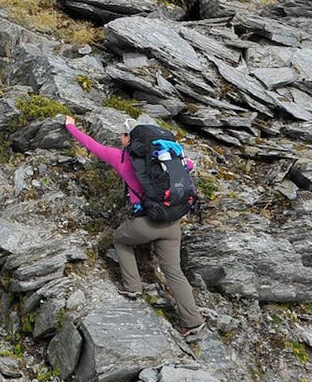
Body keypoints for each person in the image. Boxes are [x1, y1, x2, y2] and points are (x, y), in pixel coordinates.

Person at [62, 115, 205, 337]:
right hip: (173, 223)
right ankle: (192, 321)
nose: (119, 137)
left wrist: (70, 126)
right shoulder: (168, 159)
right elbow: (190, 166)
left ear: (130, 138)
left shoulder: (120, 158)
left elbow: (92, 145)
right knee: (173, 271)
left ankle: (132, 287)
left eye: (122, 134)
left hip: (145, 223)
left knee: (119, 240)